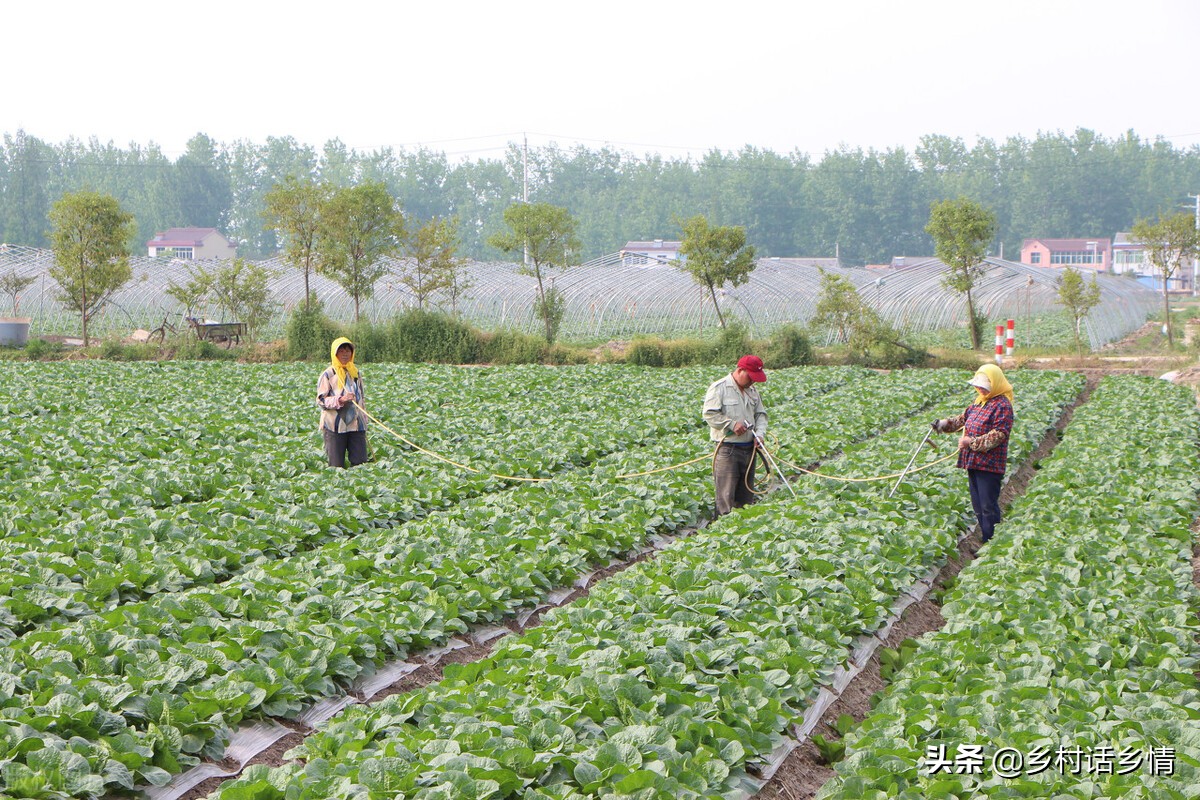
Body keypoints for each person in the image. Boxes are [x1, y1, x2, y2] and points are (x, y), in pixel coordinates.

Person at [932, 363, 1014, 545]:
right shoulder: (978, 404)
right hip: (973, 462)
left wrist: (972, 442)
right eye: (978, 386)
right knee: (978, 505)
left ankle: (992, 543)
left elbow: (999, 435)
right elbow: (961, 421)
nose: (980, 389)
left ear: (995, 384)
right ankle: (988, 540)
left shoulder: (1002, 406)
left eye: (984, 387)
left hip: (989, 465)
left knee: (987, 505)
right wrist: (944, 424)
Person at [703, 354, 768, 517]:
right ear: (740, 370)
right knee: (726, 497)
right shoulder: (720, 388)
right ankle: (723, 531)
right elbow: (710, 414)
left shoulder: (753, 391)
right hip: (728, 450)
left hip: (749, 450)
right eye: (751, 377)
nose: (753, 382)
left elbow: (760, 414)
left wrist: (759, 434)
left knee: (746, 496)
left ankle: (743, 531)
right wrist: (731, 424)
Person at [317, 337, 369, 468]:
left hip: (357, 425)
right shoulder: (328, 374)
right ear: (335, 353)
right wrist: (340, 400)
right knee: (336, 466)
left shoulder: (355, 373)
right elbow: (321, 400)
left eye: (348, 351)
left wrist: (364, 419)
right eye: (341, 351)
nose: (345, 354)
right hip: (335, 426)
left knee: (360, 463)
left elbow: (361, 397)